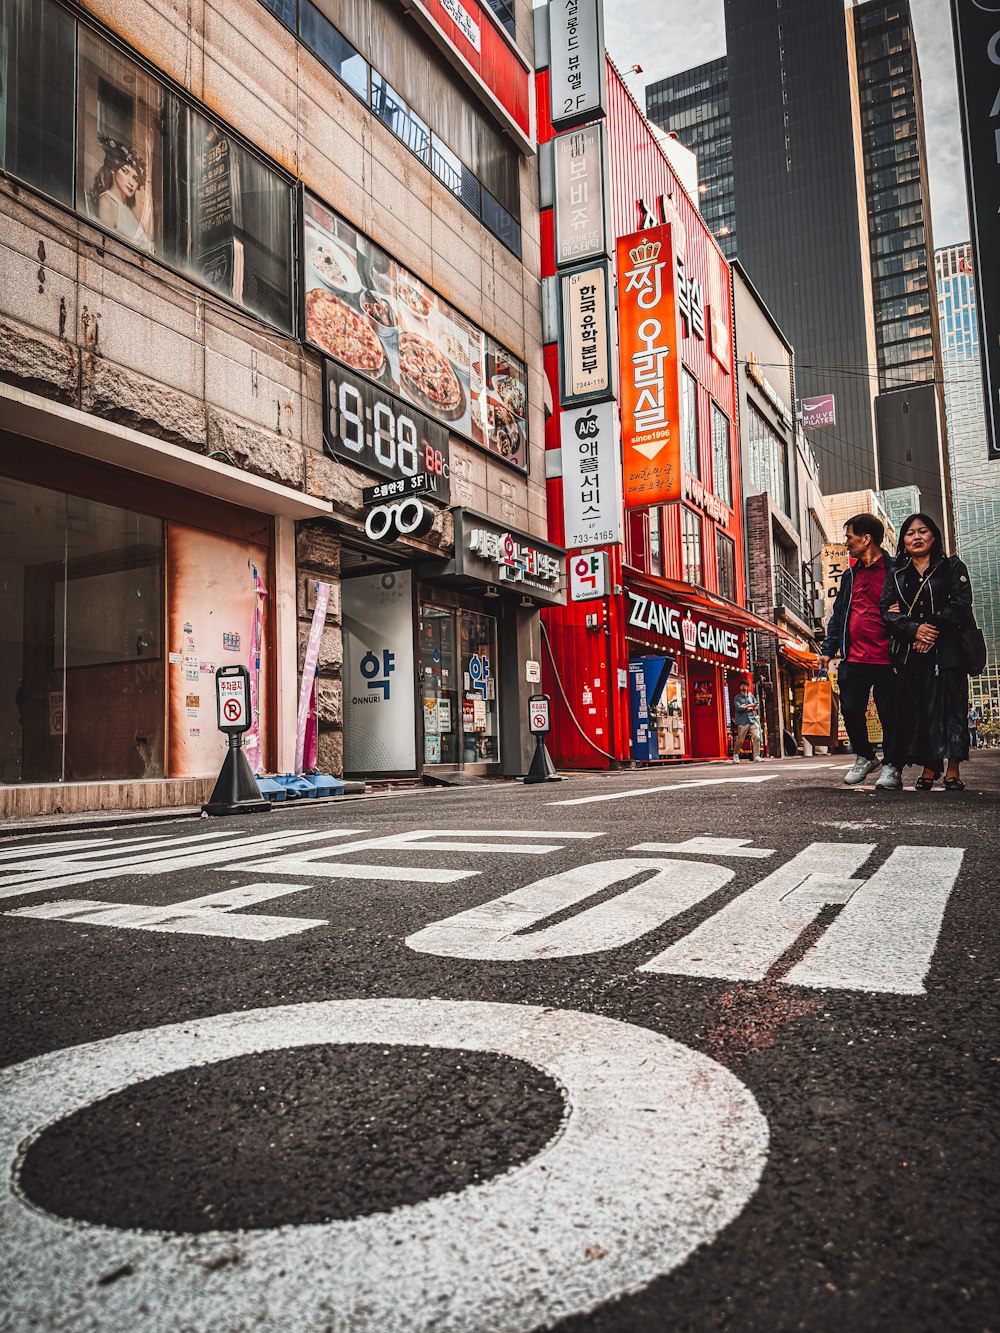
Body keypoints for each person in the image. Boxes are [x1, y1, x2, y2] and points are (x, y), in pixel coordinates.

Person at [881, 513, 974, 792]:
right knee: (923, 709)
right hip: (913, 653)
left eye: (923, 531)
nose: (916, 537)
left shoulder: (952, 567)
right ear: (903, 541)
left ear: (934, 536)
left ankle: (953, 769)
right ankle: (930, 766)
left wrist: (928, 629)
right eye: (910, 533)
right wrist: (914, 631)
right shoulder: (897, 575)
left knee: (952, 707)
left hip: (948, 652)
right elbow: (886, 611)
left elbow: (960, 604)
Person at [817, 512, 904, 788]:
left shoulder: (896, 569)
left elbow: (913, 603)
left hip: (886, 656)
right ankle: (865, 756)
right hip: (853, 657)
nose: (846, 543)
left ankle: (892, 767)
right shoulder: (850, 575)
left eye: (849, 537)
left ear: (866, 539)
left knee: (889, 713)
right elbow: (839, 614)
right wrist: (828, 648)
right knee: (851, 708)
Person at [88, 134, 153, 253]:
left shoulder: (128, 211)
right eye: (125, 171)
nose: (131, 182)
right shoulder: (107, 201)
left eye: (135, 178)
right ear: (113, 170)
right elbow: (107, 245)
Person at [731, 678, 763, 763]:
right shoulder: (737, 698)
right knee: (740, 739)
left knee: (757, 737)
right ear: (739, 687)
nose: (743, 686)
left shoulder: (751, 697)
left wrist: (745, 706)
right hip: (742, 721)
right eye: (742, 685)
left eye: (745, 685)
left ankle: (756, 755)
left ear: (748, 687)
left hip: (752, 720)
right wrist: (749, 706)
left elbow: (756, 705)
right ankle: (736, 754)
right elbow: (738, 708)